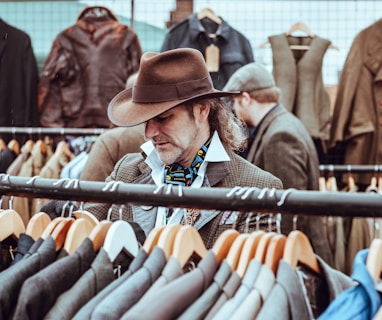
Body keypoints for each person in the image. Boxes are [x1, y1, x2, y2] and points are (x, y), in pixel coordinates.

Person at [84, 48, 283, 249]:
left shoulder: (256, 189)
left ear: (202, 110)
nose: (149, 133)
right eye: (145, 121)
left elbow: (249, 275)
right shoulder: (126, 171)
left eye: (162, 118)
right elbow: (82, 228)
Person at [223, 62, 334, 265]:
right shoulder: (284, 123)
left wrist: (275, 264)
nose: (235, 110)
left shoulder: (279, 136)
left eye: (235, 102)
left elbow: (287, 214)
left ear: (246, 98)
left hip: (296, 258)